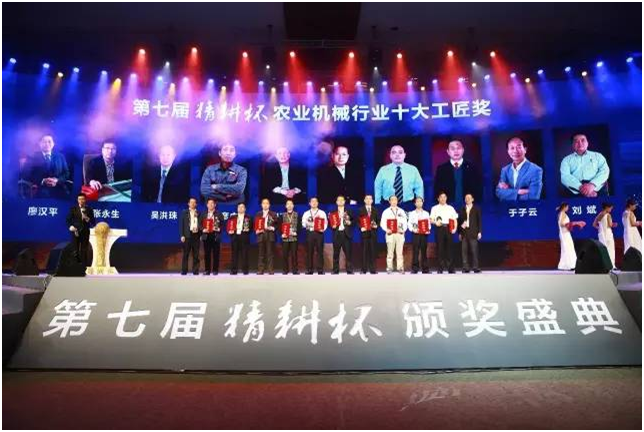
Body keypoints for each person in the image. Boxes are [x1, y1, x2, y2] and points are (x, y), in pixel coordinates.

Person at [433, 140, 482, 205]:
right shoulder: (441, 169)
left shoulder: (472, 168)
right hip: (448, 207)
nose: (456, 151)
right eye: (453, 149)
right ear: (448, 152)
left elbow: (478, 190)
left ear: (463, 150)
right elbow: (437, 191)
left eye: (458, 148)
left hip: (469, 206)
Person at [495, 137, 543, 201]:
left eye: (519, 147)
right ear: (508, 151)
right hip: (507, 207)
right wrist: (518, 191)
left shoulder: (535, 170)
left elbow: (533, 197)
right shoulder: (505, 170)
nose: (515, 151)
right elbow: (498, 193)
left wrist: (508, 193)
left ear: (525, 149)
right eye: (512, 148)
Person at [25, 134, 71, 199]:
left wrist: (57, 180)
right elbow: (27, 174)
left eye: (49, 141)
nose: (47, 144)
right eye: (44, 142)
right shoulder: (32, 157)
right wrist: (43, 181)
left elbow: (66, 173)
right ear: (40, 144)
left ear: (53, 144)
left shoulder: (60, 156)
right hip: (39, 188)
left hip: (59, 187)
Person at [429, 192, 459, 273]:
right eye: (441, 197)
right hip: (439, 229)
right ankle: (440, 268)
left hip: (449, 228)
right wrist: (435, 222)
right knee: (440, 248)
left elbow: (455, 219)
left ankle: (450, 268)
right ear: (438, 199)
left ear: (446, 198)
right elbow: (431, 219)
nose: (443, 199)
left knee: (450, 248)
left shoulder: (451, 208)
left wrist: (455, 228)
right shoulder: (434, 208)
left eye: (444, 197)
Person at [65, 193, 95, 266]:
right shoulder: (74, 209)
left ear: (85, 200)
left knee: (84, 249)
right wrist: (70, 226)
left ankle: (84, 266)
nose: (81, 201)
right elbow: (68, 220)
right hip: (76, 231)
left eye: (82, 199)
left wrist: (87, 218)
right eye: (79, 199)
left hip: (85, 232)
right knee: (75, 249)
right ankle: (75, 266)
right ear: (77, 200)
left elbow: (93, 222)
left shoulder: (89, 209)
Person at [380, 195, 408, 274]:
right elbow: (382, 223)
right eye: (392, 200)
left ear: (397, 201)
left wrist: (403, 229)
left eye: (395, 200)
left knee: (399, 252)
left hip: (400, 233)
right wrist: (387, 229)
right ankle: (389, 268)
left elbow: (405, 222)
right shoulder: (386, 212)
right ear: (389, 201)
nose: (394, 201)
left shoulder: (401, 211)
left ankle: (400, 268)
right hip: (390, 234)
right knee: (390, 252)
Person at [302, 197, 328, 275]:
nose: (314, 203)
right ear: (309, 203)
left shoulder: (322, 213)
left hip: (319, 233)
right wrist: (309, 224)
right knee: (309, 252)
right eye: (312, 202)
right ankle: (309, 269)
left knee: (320, 252)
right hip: (310, 233)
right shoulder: (306, 213)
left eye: (315, 201)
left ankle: (320, 269)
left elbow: (325, 223)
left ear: (317, 203)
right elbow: (303, 223)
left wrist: (322, 229)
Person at [199, 198, 225, 275]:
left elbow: (223, 224)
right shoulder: (203, 214)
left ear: (215, 205)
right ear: (207, 205)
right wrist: (203, 229)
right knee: (207, 254)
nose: (210, 205)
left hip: (215, 235)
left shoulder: (219, 214)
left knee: (216, 253)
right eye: (209, 203)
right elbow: (199, 224)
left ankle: (215, 270)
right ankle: (207, 270)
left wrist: (219, 228)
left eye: (212, 203)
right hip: (206, 236)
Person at [329, 195, 354, 274]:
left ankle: (349, 270)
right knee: (336, 253)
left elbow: (354, 221)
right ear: (336, 202)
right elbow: (329, 222)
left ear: (344, 202)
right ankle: (335, 270)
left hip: (346, 234)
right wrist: (332, 226)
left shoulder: (349, 211)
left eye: (342, 200)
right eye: (338, 200)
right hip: (337, 234)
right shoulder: (332, 212)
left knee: (348, 253)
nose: (340, 201)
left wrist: (350, 222)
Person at [458, 194, 482, 273]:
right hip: (464, 232)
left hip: (473, 232)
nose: (467, 199)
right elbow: (459, 222)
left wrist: (479, 232)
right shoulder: (462, 209)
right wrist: (459, 232)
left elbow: (479, 221)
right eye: (466, 198)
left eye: (469, 198)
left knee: (474, 250)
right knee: (464, 251)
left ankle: (475, 267)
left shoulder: (476, 209)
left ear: (472, 199)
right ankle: (465, 267)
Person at [557, 202, 585, 271]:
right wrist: (572, 224)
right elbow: (561, 223)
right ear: (564, 207)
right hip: (565, 234)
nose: (568, 208)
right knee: (568, 248)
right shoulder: (563, 213)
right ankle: (570, 265)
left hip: (565, 233)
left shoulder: (561, 213)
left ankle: (566, 265)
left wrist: (574, 224)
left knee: (567, 248)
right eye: (567, 207)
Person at [407, 196, 431, 274]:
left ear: (422, 203)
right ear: (415, 203)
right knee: (415, 251)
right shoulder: (412, 213)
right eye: (417, 201)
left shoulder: (426, 213)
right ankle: (415, 268)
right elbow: (409, 224)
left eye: (420, 201)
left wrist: (427, 230)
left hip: (424, 234)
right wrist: (413, 229)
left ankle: (425, 269)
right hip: (416, 234)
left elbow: (429, 224)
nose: (419, 203)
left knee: (424, 251)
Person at [254, 198, 278, 275]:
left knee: (270, 253)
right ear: (261, 205)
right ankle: (260, 270)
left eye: (267, 203)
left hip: (270, 235)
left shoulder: (273, 214)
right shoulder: (258, 214)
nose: (265, 205)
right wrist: (257, 230)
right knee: (261, 254)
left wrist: (272, 228)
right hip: (261, 235)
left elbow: (277, 225)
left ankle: (270, 270)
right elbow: (255, 225)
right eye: (263, 203)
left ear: (269, 205)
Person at [358, 194, 380, 274]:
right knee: (364, 252)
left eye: (370, 199)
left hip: (373, 234)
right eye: (366, 199)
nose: (368, 200)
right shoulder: (361, 210)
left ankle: (372, 269)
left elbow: (378, 221)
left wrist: (376, 226)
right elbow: (358, 221)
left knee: (373, 252)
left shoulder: (375, 210)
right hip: (364, 234)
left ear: (372, 201)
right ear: (364, 200)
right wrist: (361, 227)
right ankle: (363, 269)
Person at [228, 202, 251, 275]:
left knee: (245, 254)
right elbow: (229, 226)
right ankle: (234, 270)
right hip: (235, 236)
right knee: (234, 254)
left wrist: (248, 230)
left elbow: (252, 227)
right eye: (239, 207)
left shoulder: (249, 217)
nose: (241, 208)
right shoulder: (232, 217)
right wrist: (230, 231)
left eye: (242, 207)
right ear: (237, 209)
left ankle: (245, 270)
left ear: (245, 209)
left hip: (244, 236)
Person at [179, 197, 201, 275]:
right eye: (191, 202)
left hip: (196, 235)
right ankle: (184, 270)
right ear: (188, 204)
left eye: (194, 202)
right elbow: (181, 224)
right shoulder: (184, 212)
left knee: (196, 254)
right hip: (187, 235)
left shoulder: (199, 213)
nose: (192, 204)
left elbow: (201, 224)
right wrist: (182, 235)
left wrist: (200, 233)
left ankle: (195, 270)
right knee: (186, 254)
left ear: (196, 204)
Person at [593, 203, 617, 269]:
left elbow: (594, 224)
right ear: (606, 207)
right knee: (610, 249)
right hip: (608, 234)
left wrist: (600, 229)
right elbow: (610, 225)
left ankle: (604, 265)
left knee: (603, 250)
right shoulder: (608, 215)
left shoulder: (600, 214)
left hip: (601, 234)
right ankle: (611, 265)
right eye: (610, 208)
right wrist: (614, 224)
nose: (611, 210)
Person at [281, 199, 301, 275]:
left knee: (294, 254)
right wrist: (282, 233)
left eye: (291, 204)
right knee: (285, 255)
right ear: (286, 206)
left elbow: (299, 226)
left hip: (294, 238)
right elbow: (279, 226)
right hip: (285, 238)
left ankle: (295, 270)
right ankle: (285, 270)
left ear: (293, 205)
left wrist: (296, 232)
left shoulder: (297, 215)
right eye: (288, 204)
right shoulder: (282, 215)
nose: (289, 205)